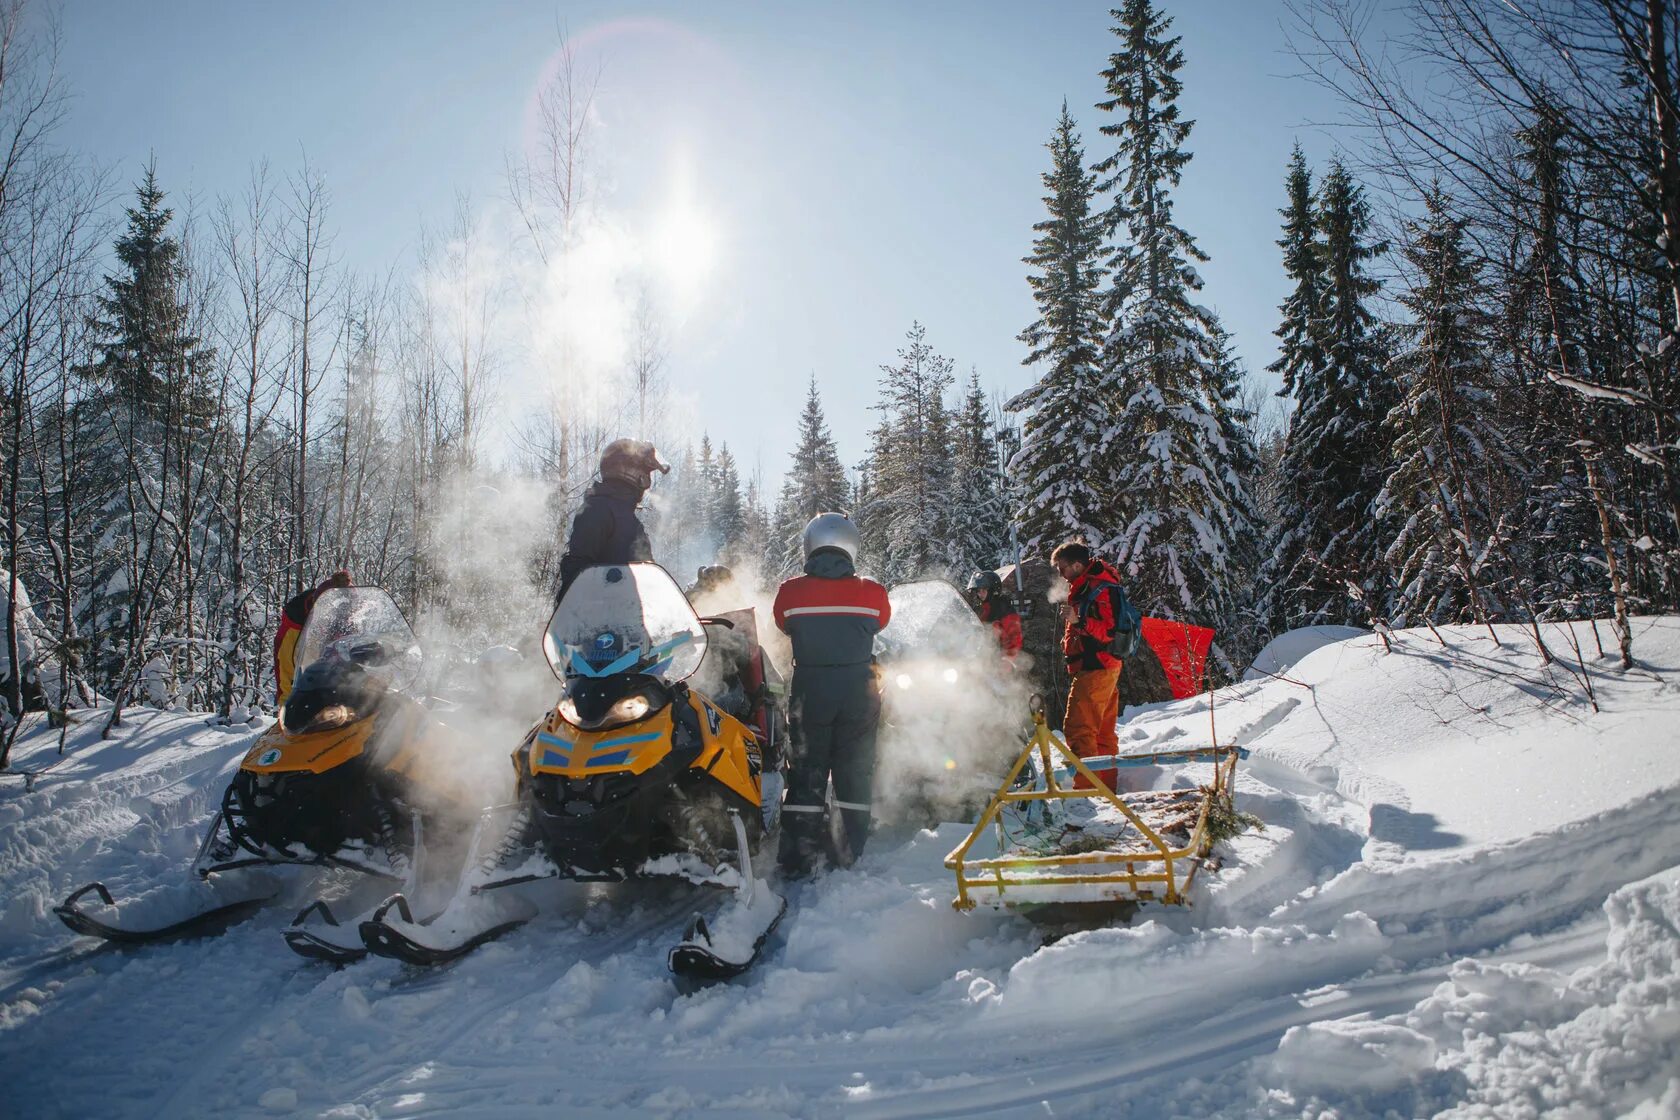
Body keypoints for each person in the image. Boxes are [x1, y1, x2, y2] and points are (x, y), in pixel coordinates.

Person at [771, 513, 891, 875]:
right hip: (859, 690)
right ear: (851, 545)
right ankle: (849, 851)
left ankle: (797, 857)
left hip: (811, 689)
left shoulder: (790, 591)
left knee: (807, 770)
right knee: (854, 771)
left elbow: (783, 623)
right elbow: (881, 622)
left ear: (810, 544)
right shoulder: (873, 591)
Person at [554, 439, 670, 605]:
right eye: (646, 473)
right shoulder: (597, 510)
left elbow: (646, 575)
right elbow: (577, 571)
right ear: (631, 471)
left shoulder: (628, 519)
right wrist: (567, 613)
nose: (647, 482)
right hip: (601, 621)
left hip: (628, 618)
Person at [1050, 541, 1126, 791]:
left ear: (1077, 565)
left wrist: (1078, 621)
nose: (1061, 574)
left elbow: (1108, 631)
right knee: (1102, 731)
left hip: (1097, 667)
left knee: (1079, 728)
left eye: (1063, 568)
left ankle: (1086, 791)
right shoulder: (1090, 586)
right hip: (1104, 666)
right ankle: (1105, 788)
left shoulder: (1099, 588)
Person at [274, 570, 352, 706]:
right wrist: (286, 710)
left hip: (340, 700)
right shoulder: (295, 629)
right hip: (305, 700)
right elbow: (287, 676)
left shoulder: (347, 621)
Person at [966, 570, 1023, 659]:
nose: (980, 594)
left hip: (998, 659)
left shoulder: (1003, 608)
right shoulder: (978, 608)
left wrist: (1008, 660)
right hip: (978, 657)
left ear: (993, 590)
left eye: (984, 590)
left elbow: (1014, 637)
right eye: (978, 591)